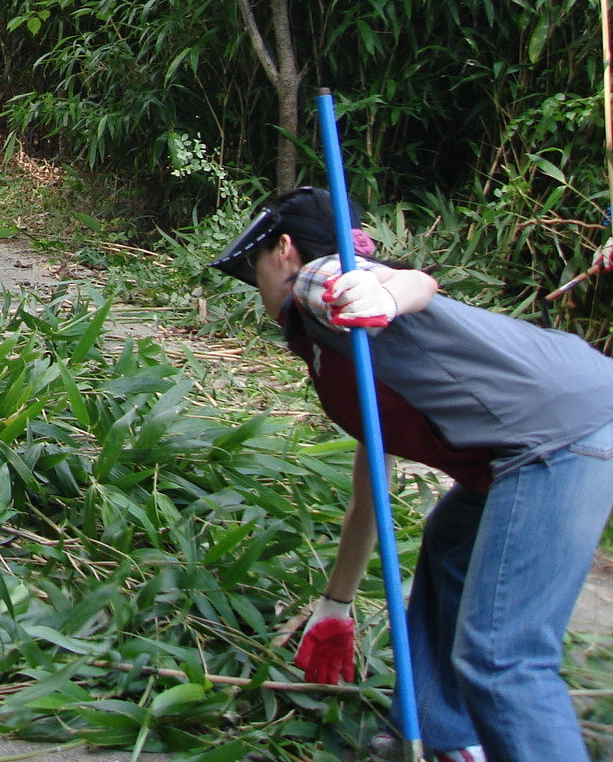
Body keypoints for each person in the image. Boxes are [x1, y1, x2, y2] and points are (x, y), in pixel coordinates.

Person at [212, 186, 613, 762]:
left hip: (560, 437)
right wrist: (336, 607)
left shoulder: (324, 283)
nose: (259, 292)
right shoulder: (334, 344)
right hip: (554, 425)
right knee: (452, 542)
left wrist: (381, 293)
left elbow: (413, 284)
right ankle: (443, 739)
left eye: (255, 271)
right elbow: (370, 485)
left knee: (502, 655)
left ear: (282, 249)